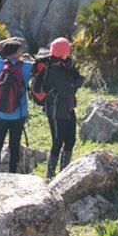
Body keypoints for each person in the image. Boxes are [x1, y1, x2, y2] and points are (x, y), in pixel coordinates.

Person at [0, 36, 32, 173]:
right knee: (14, 148)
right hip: (18, 115)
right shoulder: (26, 67)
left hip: (0, 114)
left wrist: (7, 40)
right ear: (18, 52)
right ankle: (13, 175)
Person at [43, 36, 84, 179]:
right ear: (62, 50)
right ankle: (50, 174)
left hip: (67, 108)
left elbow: (79, 79)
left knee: (70, 140)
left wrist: (75, 83)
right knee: (58, 141)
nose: (70, 50)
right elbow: (69, 90)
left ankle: (64, 173)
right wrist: (75, 83)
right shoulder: (53, 70)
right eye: (68, 48)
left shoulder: (67, 65)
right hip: (56, 111)